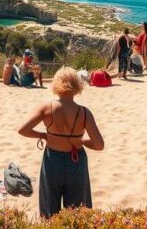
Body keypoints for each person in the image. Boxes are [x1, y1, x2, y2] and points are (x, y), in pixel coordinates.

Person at [17, 67, 105, 218]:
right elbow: (99, 145)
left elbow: (23, 130)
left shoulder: (47, 107)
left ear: (56, 84)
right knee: (78, 212)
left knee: (50, 211)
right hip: (76, 161)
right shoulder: (84, 112)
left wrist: (44, 135)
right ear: (77, 85)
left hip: (53, 161)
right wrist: (82, 141)